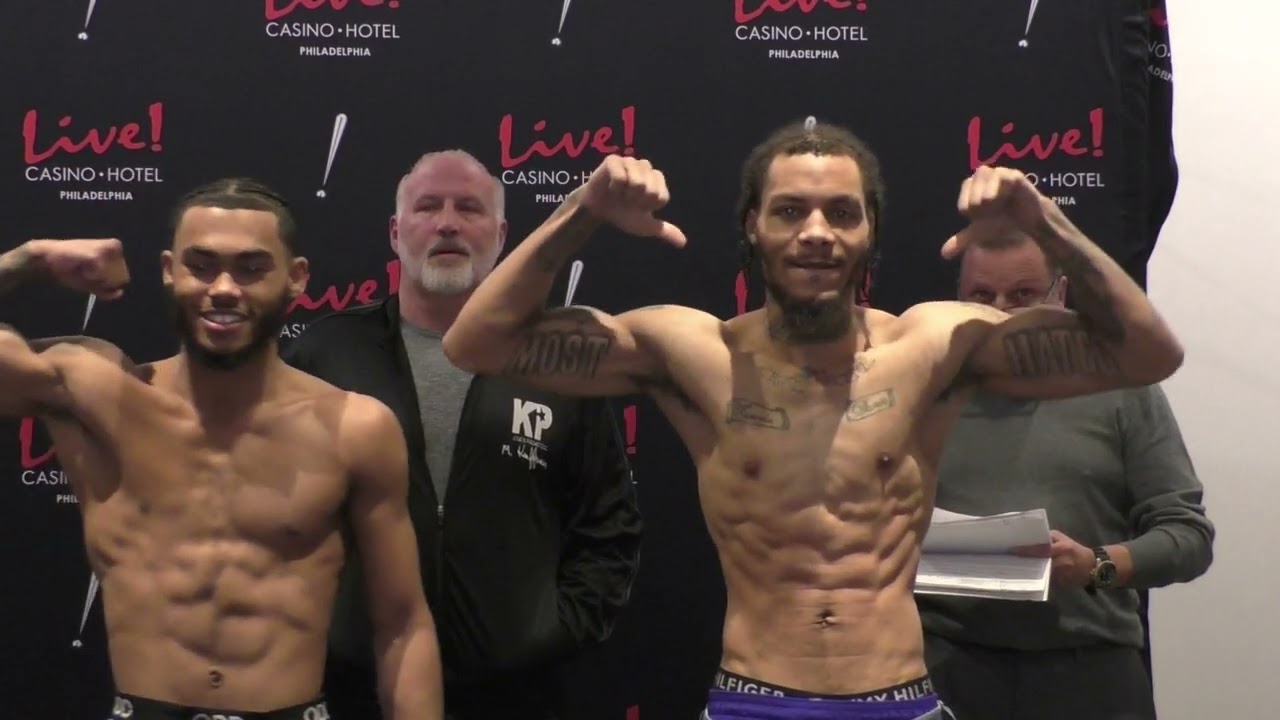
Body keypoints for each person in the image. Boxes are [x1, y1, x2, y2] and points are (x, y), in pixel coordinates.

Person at [439, 118, 1186, 720]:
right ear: (753, 226)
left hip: (900, 694)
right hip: (755, 696)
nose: (818, 231)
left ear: (871, 231)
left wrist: (1045, 222)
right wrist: (583, 211)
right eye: (791, 210)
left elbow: (1149, 354)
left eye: (842, 212)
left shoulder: (933, 345)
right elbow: (476, 343)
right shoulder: (694, 352)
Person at [0, 179, 443, 720]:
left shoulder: (355, 428)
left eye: (252, 268)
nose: (225, 288)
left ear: (296, 278)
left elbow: (402, 626)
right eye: (202, 266)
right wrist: (29, 259)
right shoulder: (95, 394)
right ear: (169, 270)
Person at [281, 150, 642, 720]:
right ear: (396, 233)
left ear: (501, 235)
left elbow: (608, 520)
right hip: (355, 691)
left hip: (517, 696)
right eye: (428, 207)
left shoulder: (559, 362)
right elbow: (274, 512)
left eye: (469, 209)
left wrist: (553, 632)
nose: (447, 223)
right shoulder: (324, 355)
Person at [914, 233, 1214, 720]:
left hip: (1089, 672)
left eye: (1023, 295)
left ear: (1060, 294)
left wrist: (1094, 565)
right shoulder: (923, 392)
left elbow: (1188, 537)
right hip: (945, 666)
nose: (1001, 313)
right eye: (982, 296)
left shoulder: (1120, 388)